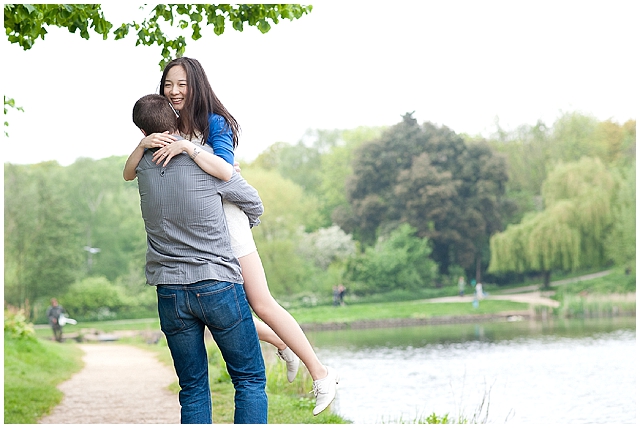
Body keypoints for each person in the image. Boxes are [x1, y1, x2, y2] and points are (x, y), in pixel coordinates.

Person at [124, 57, 338, 416]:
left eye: (182, 84)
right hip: (196, 230)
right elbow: (137, 171)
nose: (174, 92)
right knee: (225, 305)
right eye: (168, 84)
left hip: (227, 223)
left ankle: (321, 374)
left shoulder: (214, 122)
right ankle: (279, 343)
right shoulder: (164, 124)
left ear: (197, 85)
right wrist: (146, 144)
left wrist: (192, 151)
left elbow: (227, 175)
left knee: (259, 302)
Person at [130, 94, 268, 424]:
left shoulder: (142, 168)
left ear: (142, 130)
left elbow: (128, 169)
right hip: (216, 281)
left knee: (192, 388)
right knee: (248, 379)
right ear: (177, 120)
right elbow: (254, 203)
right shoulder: (205, 162)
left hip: (169, 291)